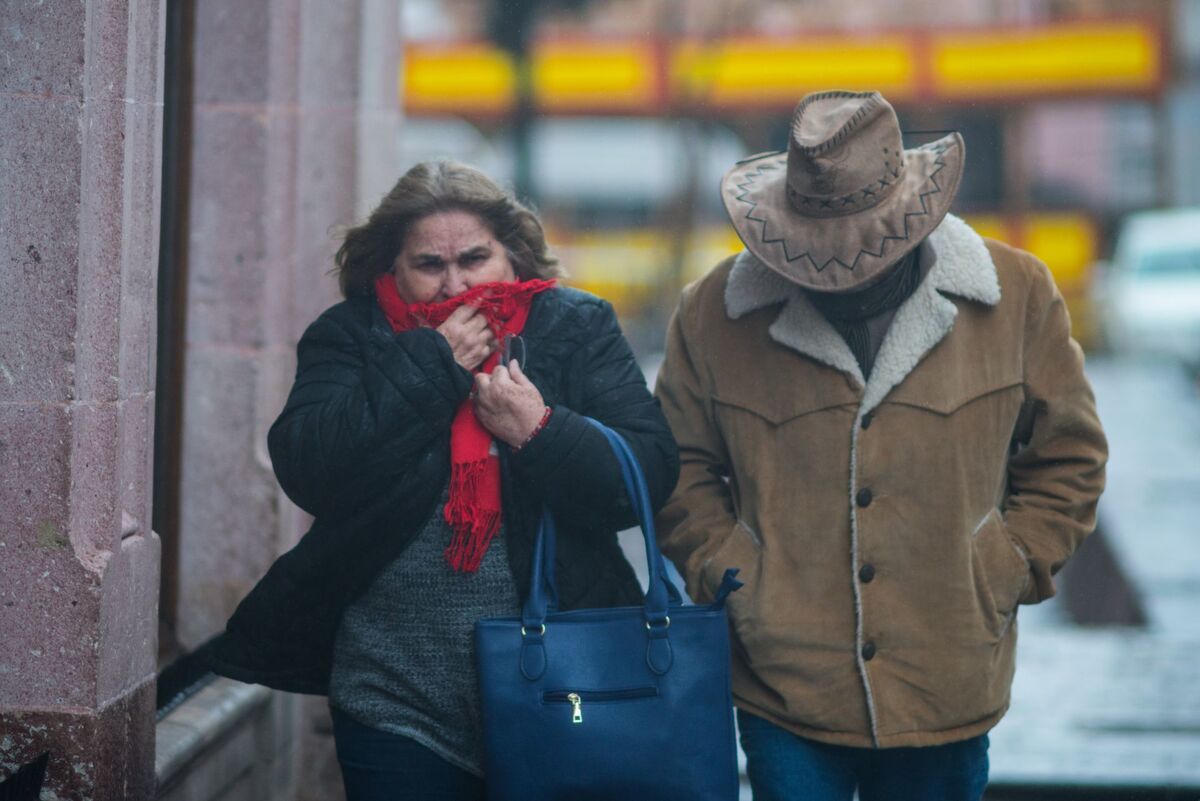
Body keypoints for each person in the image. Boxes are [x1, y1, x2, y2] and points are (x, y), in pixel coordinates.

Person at [654, 91, 1107, 801]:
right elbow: (675, 466)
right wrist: (729, 570)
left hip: (948, 674)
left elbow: (1070, 457)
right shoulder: (713, 314)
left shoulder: (1016, 295)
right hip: (783, 681)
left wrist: (1007, 564)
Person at [209, 161, 679, 801]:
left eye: (475, 259)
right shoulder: (351, 336)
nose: (453, 284)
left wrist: (538, 429)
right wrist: (432, 367)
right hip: (393, 694)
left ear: (514, 257)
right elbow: (310, 468)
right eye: (429, 264)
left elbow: (647, 474)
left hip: (566, 683)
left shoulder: (577, 325)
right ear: (391, 269)